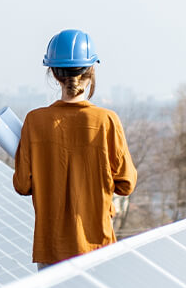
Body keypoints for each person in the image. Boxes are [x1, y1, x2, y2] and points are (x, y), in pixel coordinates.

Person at [12, 29, 136, 269]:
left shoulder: (34, 121)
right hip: (96, 246)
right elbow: (127, 183)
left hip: (50, 249)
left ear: (54, 75)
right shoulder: (106, 121)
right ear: (91, 70)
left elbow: (22, 185)